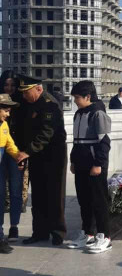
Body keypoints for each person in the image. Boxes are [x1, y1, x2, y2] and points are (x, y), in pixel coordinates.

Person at [16, 75, 67, 246]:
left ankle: (58, 232)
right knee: (38, 195)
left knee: (54, 194)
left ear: (38, 89)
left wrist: (27, 152)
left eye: (26, 92)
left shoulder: (49, 104)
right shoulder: (28, 104)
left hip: (53, 155)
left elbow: (46, 133)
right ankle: (40, 232)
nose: (24, 96)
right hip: (35, 155)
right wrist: (22, 153)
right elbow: (24, 131)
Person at [68, 80, 112, 253]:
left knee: (98, 201)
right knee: (84, 200)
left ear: (87, 96)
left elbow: (105, 142)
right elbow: (76, 140)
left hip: (95, 165)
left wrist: (98, 164)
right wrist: (73, 160)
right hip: (80, 164)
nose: (75, 101)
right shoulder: (78, 114)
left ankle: (105, 236)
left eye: (77, 97)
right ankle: (88, 234)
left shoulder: (98, 113)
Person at [0, 71, 28, 245]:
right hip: (4, 152)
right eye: (6, 84)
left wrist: (21, 155)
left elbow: (14, 139)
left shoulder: (21, 105)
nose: (9, 88)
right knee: (1, 192)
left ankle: (14, 226)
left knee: (16, 191)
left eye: (12, 85)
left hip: (14, 152)